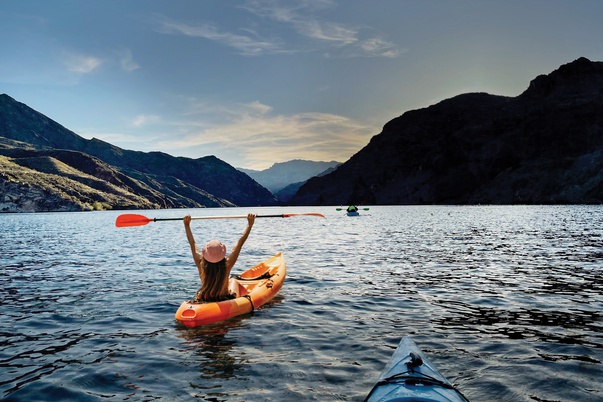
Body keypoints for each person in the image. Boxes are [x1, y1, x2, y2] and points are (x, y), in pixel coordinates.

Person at [183, 213, 256, 302]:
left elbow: (192, 243)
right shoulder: (227, 264)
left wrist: (187, 225)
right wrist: (250, 224)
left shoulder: (200, 263)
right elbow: (240, 243)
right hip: (223, 299)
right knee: (233, 286)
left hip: (204, 298)